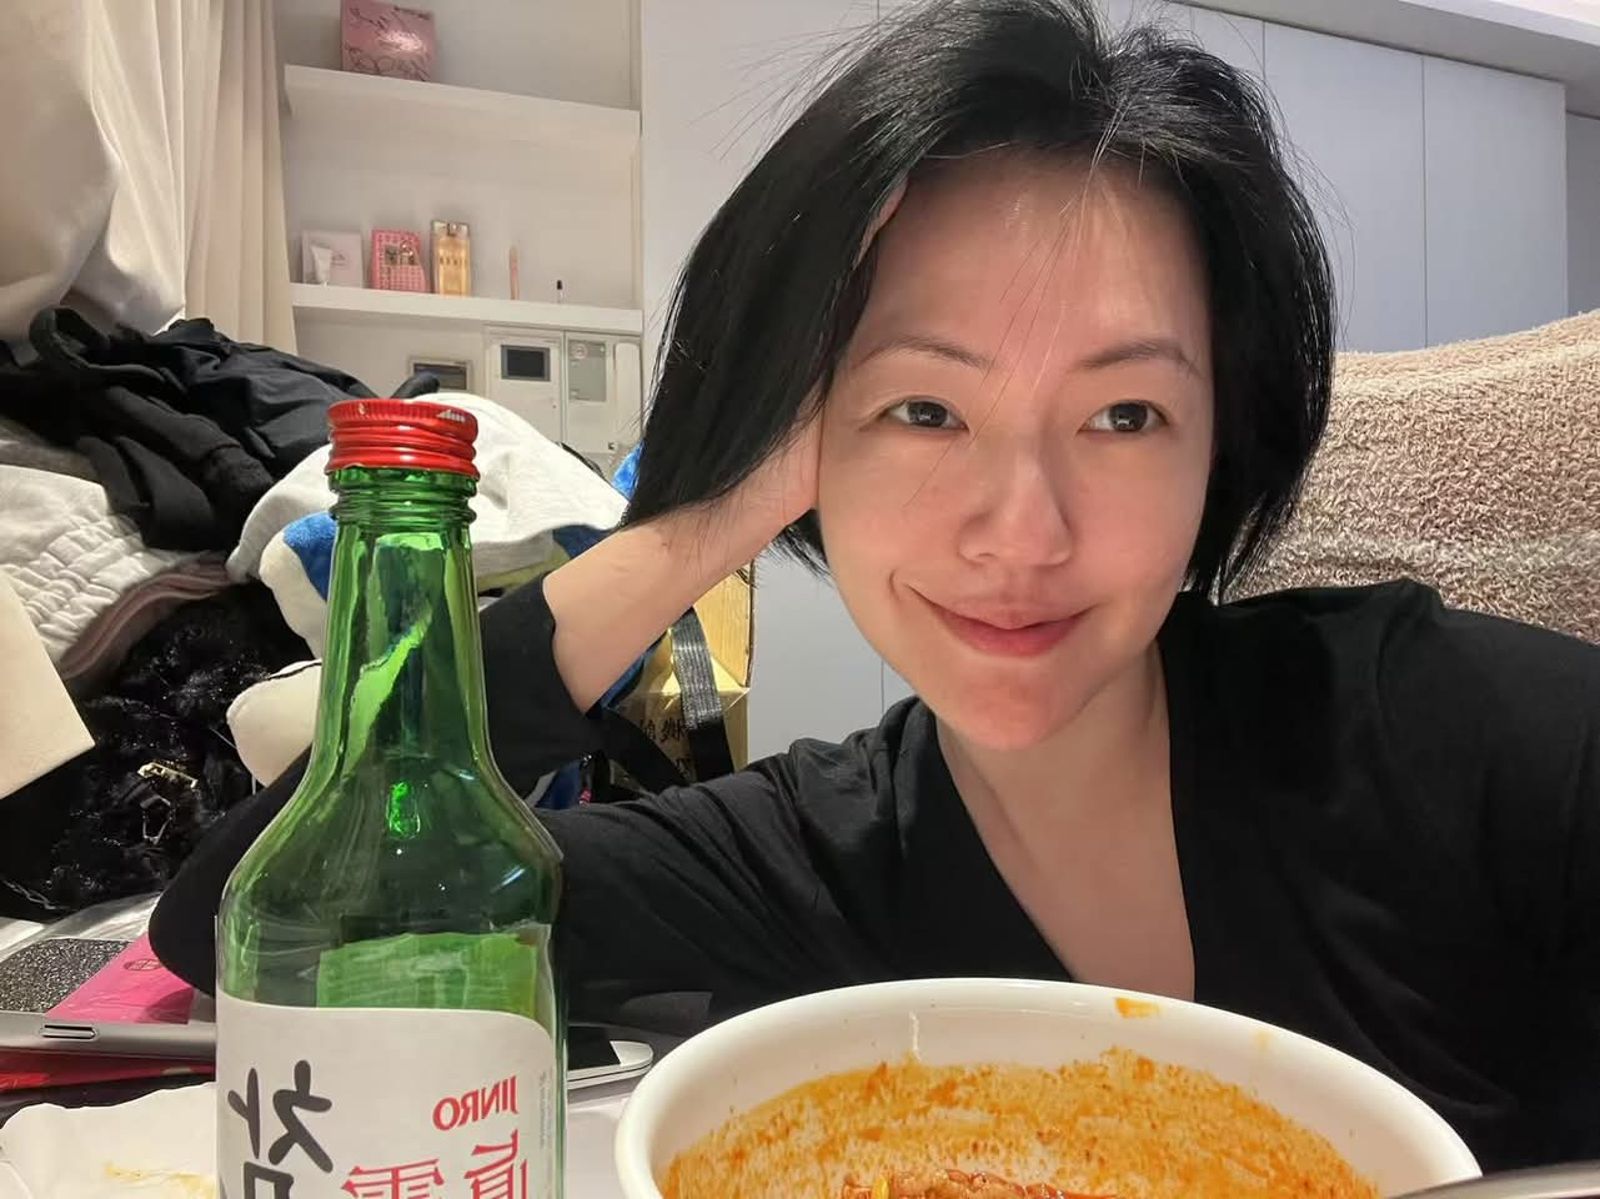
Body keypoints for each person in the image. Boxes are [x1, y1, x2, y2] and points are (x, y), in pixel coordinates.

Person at [151, 0, 1600, 1171]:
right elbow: (253, 931)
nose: (1021, 534)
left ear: (1222, 442)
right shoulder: (810, 863)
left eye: (1125, 416)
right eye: (923, 410)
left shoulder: (1451, 736)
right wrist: (692, 524)